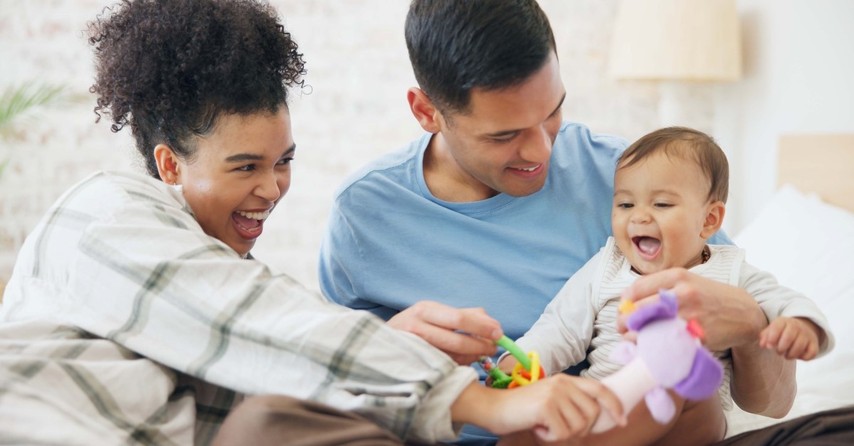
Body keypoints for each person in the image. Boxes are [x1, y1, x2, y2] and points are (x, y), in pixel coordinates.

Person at [0, 0, 625, 445]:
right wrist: (487, 404)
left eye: (284, 161)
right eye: (245, 165)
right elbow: (257, 323)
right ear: (168, 164)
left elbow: (270, 361)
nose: (271, 189)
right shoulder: (102, 214)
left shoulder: (622, 176)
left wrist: (392, 336)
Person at [318, 0, 804, 443]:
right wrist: (390, 353)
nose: (541, 151)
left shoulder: (631, 184)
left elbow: (773, 403)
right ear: (426, 111)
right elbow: (334, 397)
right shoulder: (364, 218)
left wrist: (749, 322)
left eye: (553, 112)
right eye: (504, 134)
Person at [495, 127, 834, 445]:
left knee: (679, 375)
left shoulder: (732, 272)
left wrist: (801, 326)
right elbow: (561, 329)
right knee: (523, 424)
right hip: (606, 404)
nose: (639, 216)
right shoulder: (607, 266)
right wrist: (523, 363)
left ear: (709, 220)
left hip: (689, 423)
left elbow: (787, 302)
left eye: (661, 204)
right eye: (625, 204)